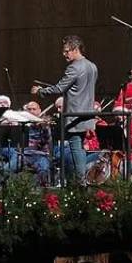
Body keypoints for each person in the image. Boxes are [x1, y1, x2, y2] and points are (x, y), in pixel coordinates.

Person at [32, 35, 98, 183]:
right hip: (87, 113)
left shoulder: (74, 67)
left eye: (67, 51)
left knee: (75, 146)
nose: (64, 54)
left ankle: (80, 181)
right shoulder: (92, 66)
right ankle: (81, 179)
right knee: (79, 146)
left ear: (75, 49)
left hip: (74, 114)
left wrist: (41, 91)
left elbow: (60, 88)